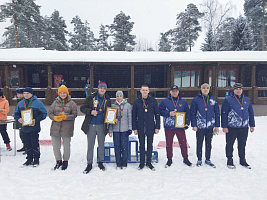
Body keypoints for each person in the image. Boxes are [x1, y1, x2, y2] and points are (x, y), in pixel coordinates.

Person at [221, 83, 255, 169]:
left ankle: (242, 160)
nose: (238, 90)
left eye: (240, 89)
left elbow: (250, 113)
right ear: (234, 90)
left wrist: (252, 125)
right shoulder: (228, 100)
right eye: (236, 89)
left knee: (242, 144)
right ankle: (229, 159)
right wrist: (224, 126)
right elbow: (224, 113)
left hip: (244, 127)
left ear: (242, 90)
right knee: (230, 144)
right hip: (232, 127)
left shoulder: (246, 99)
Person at [81, 82, 111, 174]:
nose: (102, 90)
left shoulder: (107, 99)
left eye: (104, 88)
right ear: (98, 88)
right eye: (101, 88)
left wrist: (112, 119)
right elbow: (82, 108)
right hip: (91, 124)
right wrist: (90, 112)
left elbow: (109, 112)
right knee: (90, 145)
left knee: (101, 144)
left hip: (102, 125)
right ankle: (89, 163)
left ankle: (100, 162)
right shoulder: (91, 97)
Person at [159, 85, 192, 167]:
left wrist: (187, 122)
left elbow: (187, 113)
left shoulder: (183, 102)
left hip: (180, 127)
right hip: (169, 126)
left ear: (178, 92)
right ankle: (169, 159)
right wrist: (168, 113)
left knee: (183, 143)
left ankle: (185, 158)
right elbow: (159, 111)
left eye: (176, 91)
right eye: (173, 91)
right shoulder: (165, 101)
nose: (174, 92)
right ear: (170, 92)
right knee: (169, 144)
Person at [14, 87, 47, 167]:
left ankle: (36, 159)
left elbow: (44, 114)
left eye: (28, 93)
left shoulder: (38, 103)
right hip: (24, 128)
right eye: (24, 93)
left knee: (34, 144)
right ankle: (29, 159)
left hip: (34, 128)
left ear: (32, 94)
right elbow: (16, 114)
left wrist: (36, 120)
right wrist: (18, 119)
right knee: (27, 144)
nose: (26, 95)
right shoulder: (21, 103)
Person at [190, 83, 220, 168]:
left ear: (209, 89)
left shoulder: (213, 100)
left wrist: (217, 125)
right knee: (199, 143)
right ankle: (199, 159)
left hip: (210, 126)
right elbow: (193, 113)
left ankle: (208, 159)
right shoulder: (196, 100)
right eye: (204, 88)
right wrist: (194, 125)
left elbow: (217, 113)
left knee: (209, 143)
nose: (205, 89)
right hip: (200, 126)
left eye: (207, 88)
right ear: (201, 89)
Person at [48, 85, 78, 170]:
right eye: (61, 93)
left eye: (64, 93)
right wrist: (54, 117)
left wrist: (66, 117)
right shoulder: (55, 103)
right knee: (55, 146)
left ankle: (65, 161)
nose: (62, 94)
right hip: (55, 127)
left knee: (66, 145)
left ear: (67, 93)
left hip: (67, 128)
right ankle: (58, 160)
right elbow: (50, 113)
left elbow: (75, 114)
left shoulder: (72, 103)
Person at [132, 85, 160, 171]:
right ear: (140, 91)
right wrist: (135, 128)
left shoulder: (153, 101)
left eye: (146, 90)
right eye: (143, 90)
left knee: (149, 145)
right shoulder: (137, 101)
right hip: (140, 126)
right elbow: (134, 116)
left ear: (149, 91)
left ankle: (149, 162)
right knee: (141, 145)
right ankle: (141, 163)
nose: (144, 91)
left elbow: (157, 115)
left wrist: (157, 127)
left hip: (150, 126)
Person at [108, 91, 132, 169]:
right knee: (117, 146)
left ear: (123, 97)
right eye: (117, 96)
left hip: (124, 129)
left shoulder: (128, 106)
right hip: (116, 130)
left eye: (120, 96)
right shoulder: (113, 106)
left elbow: (130, 118)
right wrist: (110, 130)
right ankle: (118, 163)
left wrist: (129, 128)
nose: (119, 97)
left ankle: (124, 163)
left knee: (124, 146)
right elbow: (110, 120)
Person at [14, 88, 26, 153]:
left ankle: (27, 147)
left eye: (18, 94)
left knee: (24, 134)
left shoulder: (24, 101)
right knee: (21, 134)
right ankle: (24, 146)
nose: (17, 95)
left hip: (24, 119)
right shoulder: (18, 101)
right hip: (19, 118)